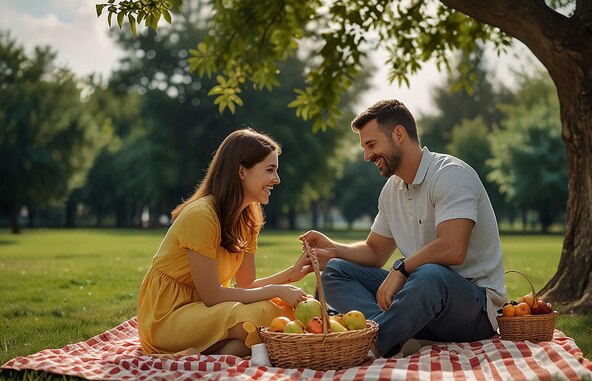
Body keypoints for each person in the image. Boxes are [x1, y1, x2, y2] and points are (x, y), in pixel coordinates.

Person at [301, 99, 508, 357]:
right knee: (335, 271)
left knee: (430, 274)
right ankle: (396, 334)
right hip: (417, 300)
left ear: (398, 134)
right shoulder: (392, 190)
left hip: (475, 309)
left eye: (371, 145)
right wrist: (334, 249)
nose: (366, 156)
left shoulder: (450, 174)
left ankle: (369, 345)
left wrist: (402, 268)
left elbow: (453, 248)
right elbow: (375, 251)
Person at [137, 128, 312, 357]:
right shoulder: (201, 215)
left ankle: (221, 350)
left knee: (286, 310)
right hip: (168, 317)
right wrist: (274, 289)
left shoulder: (249, 216)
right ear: (242, 171)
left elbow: (245, 285)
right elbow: (212, 295)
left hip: (207, 311)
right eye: (270, 170)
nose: (276, 180)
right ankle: (226, 346)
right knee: (262, 315)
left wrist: (290, 276)